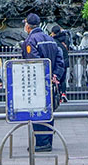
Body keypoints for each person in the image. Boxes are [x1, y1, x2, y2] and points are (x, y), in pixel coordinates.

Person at [21, 13, 64, 151]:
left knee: (38, 112)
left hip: (37, 83)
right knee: (48, 112)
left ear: (28, 26)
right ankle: (47, 141)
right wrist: (55, 76)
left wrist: (41, 78)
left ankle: (42, 143)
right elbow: (60, 61)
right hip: (50, 83)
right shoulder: (50, 39)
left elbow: (34, 63)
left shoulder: (31, 40)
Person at [48, 24, 70, 103]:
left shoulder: (53, 40)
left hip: (57, 62)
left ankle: (58, 94)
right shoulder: (65, 38)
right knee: (63, 79)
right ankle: (63, 93)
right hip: (65, 60)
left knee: (57, 78)